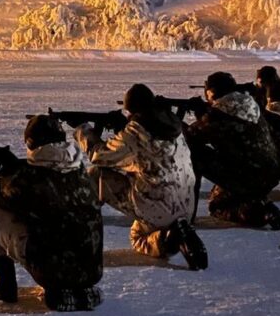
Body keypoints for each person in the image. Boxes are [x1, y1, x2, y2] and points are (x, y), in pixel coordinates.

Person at [0, 113, 105, 309]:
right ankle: (74, 288)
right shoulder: (78, 169)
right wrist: (14, 165)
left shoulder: (26, 179)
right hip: (91, 271)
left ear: (30, 143)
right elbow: (45, 179)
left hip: (54, 273)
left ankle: (3, 283)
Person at [76, 83, 207, 270]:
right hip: (186, 206)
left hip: (159, 206)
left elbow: (99, 155)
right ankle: (175, 232)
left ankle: (80, 237)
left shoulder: (135, 133)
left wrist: (82, 130)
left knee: (97, 176)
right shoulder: (173, 127)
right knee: (140, 229)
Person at [185, 71, 280, 230]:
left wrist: (192, 118)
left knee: (216, 206)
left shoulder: (218, 114)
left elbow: (190, 136)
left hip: (248, 176)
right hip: (269, 173)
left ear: (211, 92)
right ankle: (257, 201)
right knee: (220, 199)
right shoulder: (249, 104)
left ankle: (261, 212)